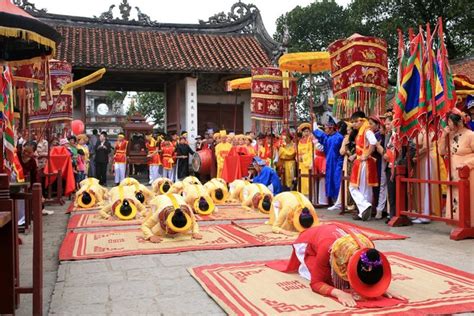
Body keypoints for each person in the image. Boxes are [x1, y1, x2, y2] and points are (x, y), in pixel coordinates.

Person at [269, 224, 399, 307]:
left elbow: (370, 267)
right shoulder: (328, 248)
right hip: (307, 241)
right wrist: (337, 293)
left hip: (331, 235)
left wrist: (378, 286)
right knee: (324, 277)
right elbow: (316, 283)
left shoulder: (368, 246)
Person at [439, 108, 474, 222]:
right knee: (454, 195)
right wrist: (444, 135)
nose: (448, 124)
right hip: (454, 170)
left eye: (449, 121)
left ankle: (467, 222)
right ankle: (456, 221)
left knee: (465, 196)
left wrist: (466, 164)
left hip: (467, 172)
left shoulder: (470, 135)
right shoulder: (450, 135)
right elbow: (442, 152)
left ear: (458, 121)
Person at [349, 111, 378, 221]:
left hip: (363, 162)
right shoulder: (363, 130)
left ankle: (365, 206)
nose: (354, 124)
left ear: (361, 120)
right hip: (362, 161)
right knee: (365, 189)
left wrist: (366, 155)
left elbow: (373, 142)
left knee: (353, 187)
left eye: (355, 122)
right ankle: (364, 213)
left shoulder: (366, 130)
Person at [312, 114, 344, 204]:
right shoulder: (327, 138)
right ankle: (334, 202)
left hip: (338, 163)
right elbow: (317, 132)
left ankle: (339, 202)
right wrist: (314, 120)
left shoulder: (339, 137)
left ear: (332, 128)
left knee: (337, 181)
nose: (325, 130)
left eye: (326, 128)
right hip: (329, 163)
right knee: (330, 181)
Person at [297, 123, 313, 196]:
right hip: (301, 163)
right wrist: (298, 157)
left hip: (307, 162)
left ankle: (309, 194)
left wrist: (303, 157)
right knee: (302, 179)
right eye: (304, 131)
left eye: (307, 131)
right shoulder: (300, 141)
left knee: (308, 179)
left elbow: (311, 151)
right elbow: (297, 151)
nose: (306, 133)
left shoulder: (311, 140)